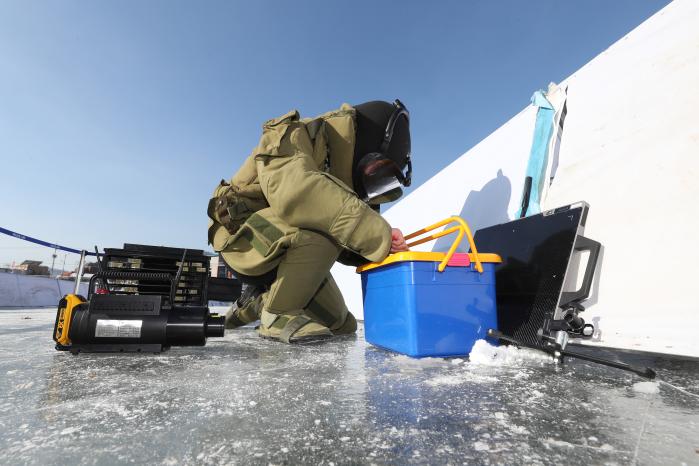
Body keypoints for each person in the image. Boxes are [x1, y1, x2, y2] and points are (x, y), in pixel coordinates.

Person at [206, 100, 412, 343]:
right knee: (322, 221)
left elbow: (346, 236)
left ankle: (259, 301)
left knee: (341, 325)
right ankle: (278, 314)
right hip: (239, 237)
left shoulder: (340, 177)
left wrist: (383, 248)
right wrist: (378, 234)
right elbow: (298, 193)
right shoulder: (292, 134)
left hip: (283, 243)